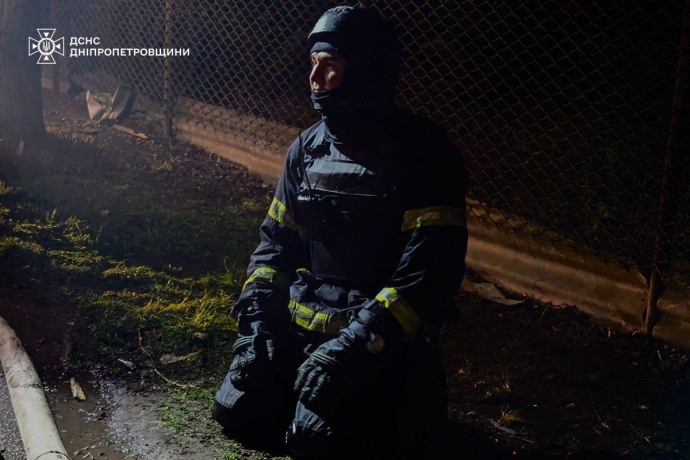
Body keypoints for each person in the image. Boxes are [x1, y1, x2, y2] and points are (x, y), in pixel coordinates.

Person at [212, 5, 468, 459]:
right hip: (306, 332)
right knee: (238, 408)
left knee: (314, 439)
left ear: (367, 72)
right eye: (313, 64)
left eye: (329, 65)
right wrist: (257, 329)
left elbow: (427, 277)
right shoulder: (306, 149)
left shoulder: (424, 154)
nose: (315, 79)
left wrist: (354, 347)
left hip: (380, 346)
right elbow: (274, 247)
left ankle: (407, 415)